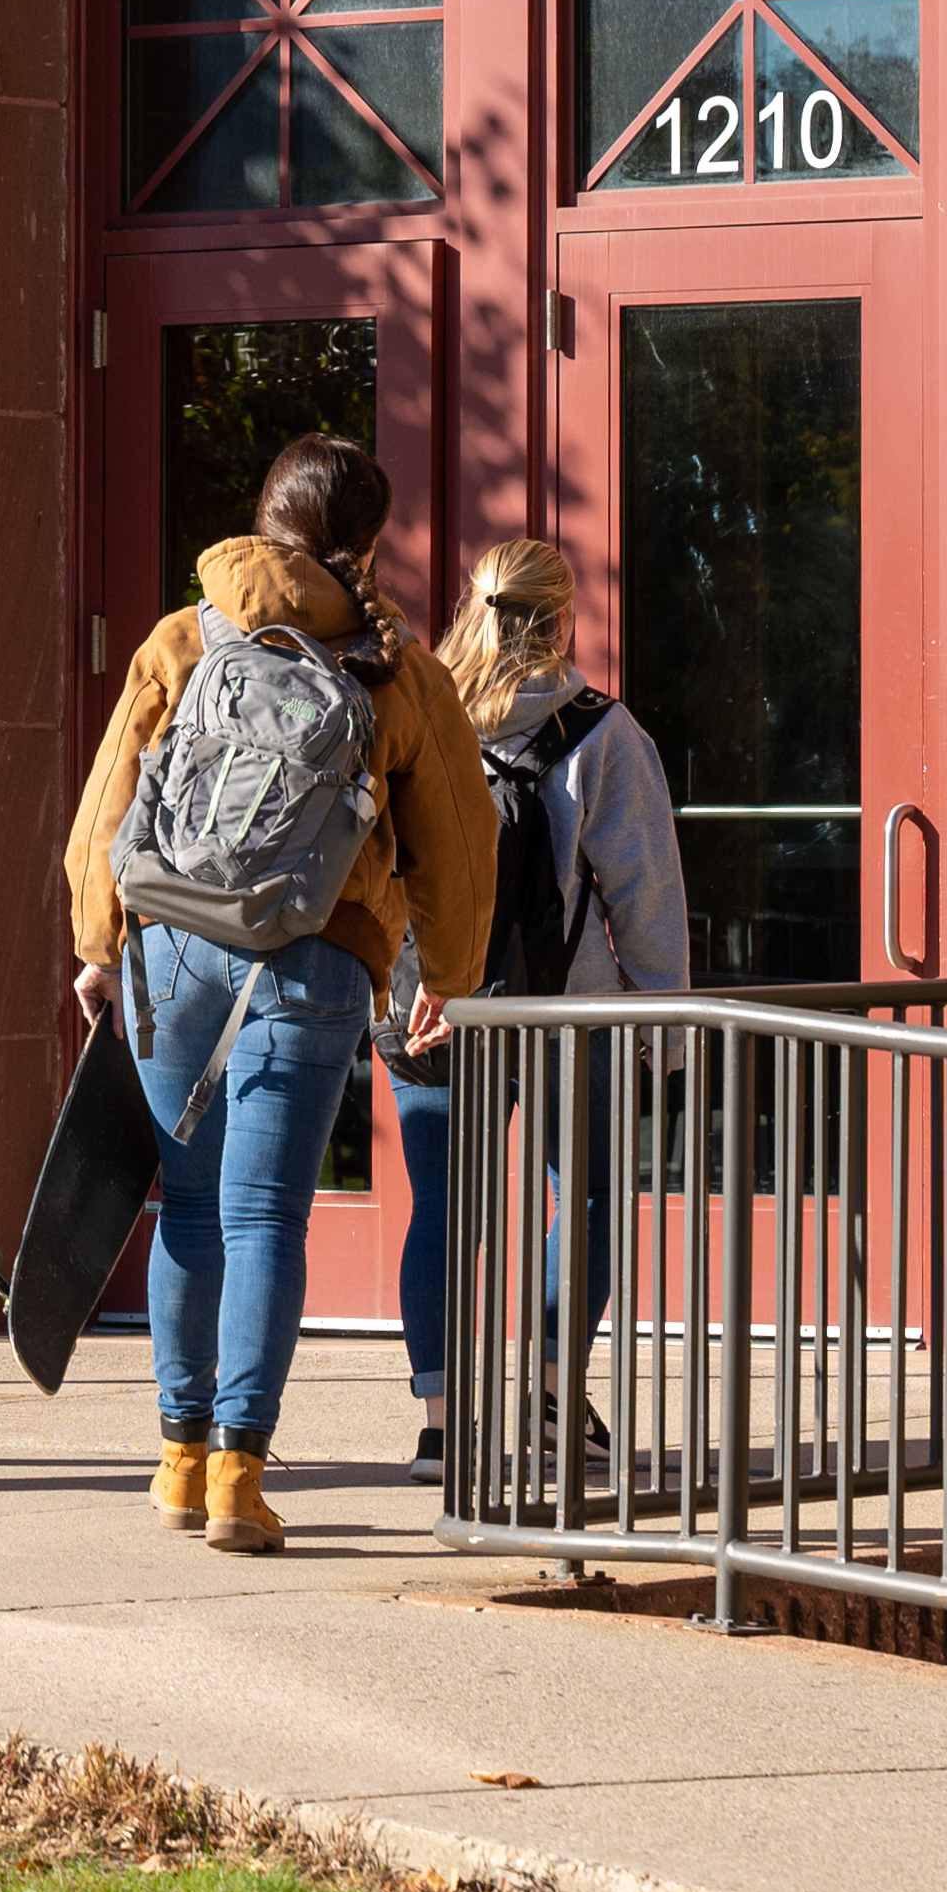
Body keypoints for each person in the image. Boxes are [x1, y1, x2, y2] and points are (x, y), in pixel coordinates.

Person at [63, 431, 491, 1556]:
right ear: (367, 539)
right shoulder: (394, 663)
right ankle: (239, 1479)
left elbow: (109, 801)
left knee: (190, 1206)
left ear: (264, 519)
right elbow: (458, 835)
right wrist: (444, 974)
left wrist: (98, 941)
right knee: (264, 1214)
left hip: (169, 947)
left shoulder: (184, 635)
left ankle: (177, 1456)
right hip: (314, 952)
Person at [390, 536, 688, 1470]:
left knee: (442, 1207)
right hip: (568, 1013)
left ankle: (440, 1427)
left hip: (432, 1006)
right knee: (587, 1196)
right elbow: (643, 895)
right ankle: (553, 1402)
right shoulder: (600, 730)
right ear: (561, 617)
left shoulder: (414, 712)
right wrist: (663, 1028)